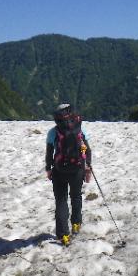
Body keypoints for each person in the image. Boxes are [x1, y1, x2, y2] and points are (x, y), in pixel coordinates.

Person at [45, 103, 92, 246]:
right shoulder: (80, 129)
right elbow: (87, 150)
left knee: (61, 200)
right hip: (77, 169)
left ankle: (63, 235)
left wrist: (48, 168)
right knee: (76, 196)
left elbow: (49, 152)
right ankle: (76, 224)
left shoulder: (53, 132)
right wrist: (88, 167)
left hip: (59, 170)